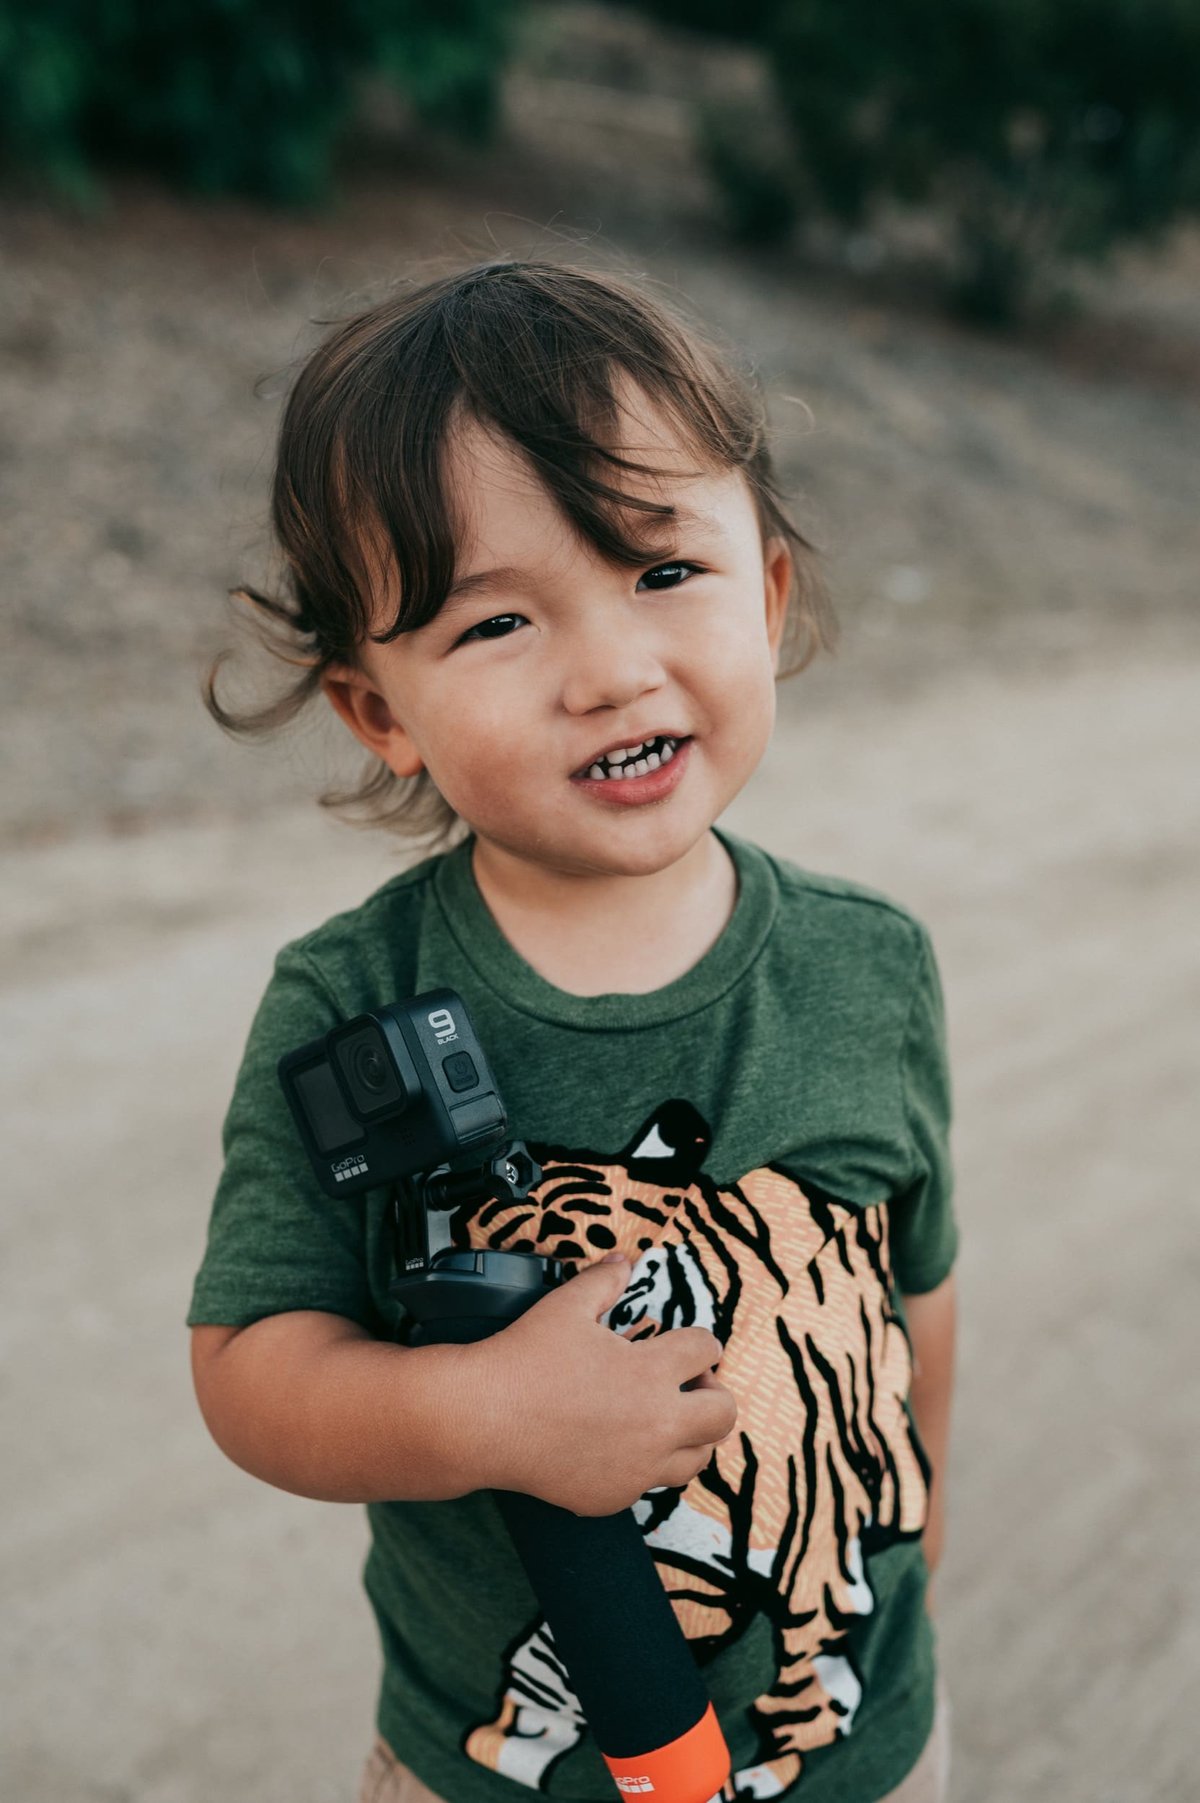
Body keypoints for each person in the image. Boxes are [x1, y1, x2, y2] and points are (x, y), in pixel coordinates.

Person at [188, 259, 957, 1803]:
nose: (610, 671)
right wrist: (480, 1413)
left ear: (771, 590)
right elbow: (249, 1368)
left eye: (664, 574)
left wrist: (913, 1542)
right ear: (377, 713)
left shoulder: (873, 966)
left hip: (857, 1757)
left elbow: (911, 1304)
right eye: (497, 625)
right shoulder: (350, 1002)